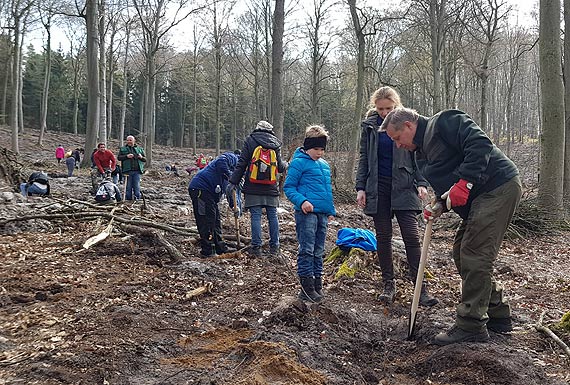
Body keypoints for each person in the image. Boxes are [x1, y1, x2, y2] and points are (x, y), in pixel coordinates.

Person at [380, 107, 522, 345]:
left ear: (408, 126)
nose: (398, 145)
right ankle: (498, 314)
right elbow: (451, 185)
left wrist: (465, 183)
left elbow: (480, 145)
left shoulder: (445, 122)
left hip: (498, 186)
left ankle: (471, 325)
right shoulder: (421, 154)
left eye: (397, 138)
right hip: (479, 198)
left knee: (475, 253)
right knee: (461, 253)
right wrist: (439, 204)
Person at [355, 86, 437, 307]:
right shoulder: (369, 126)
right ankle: (388, 285)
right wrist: (360, 187)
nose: (384, 112)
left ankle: (421, 289)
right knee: (383, 237)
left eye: (388, 108)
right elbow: (364, 157)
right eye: (380, 108)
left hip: (404, 184)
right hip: (377, 187)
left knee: (411, 237)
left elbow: (418, 153)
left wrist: (421, 183)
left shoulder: (408, 122)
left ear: (396, 105)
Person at [284, 125, 336, 303]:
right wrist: (302, 201)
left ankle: (317, 285)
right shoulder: (298, 162)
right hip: (306, 213)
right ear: (307, 147)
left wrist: (330, 210)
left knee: (319, 250)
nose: (320, 153)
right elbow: (288, 188)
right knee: (307, 249)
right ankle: (306, 288)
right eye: (316, 149)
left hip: (322, 213)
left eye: (322, 149)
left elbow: (327, 190)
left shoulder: (324, 165)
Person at [227, 120, 288, 257]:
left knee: (256, 216)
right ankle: (275, 247)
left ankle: (256, 248)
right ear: (270, 130)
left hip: (253, 185)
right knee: (273, 216)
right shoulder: (275, 143)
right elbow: (280, 167)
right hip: (271, 186)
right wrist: (286, 164)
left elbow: (242, 163)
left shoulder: (250, 140)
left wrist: (233, 182)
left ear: (257, 129)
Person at [188, 152, 238, 257]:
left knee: (216, 220)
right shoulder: (233, 158)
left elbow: (230, 191)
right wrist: (230, 175)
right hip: (200, 189)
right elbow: (221, 160)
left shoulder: (235, 174)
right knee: (206, 219)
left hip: (211, 194)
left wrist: (233, 205)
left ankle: (220, 247)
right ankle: (208, 250)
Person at [118, 135, 146, 201]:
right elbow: (119, 158)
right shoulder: (122, 149)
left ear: (134, 140)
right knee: (128, 187)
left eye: (130, 140)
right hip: (127, 171)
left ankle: (137, 200)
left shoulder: (140, 149)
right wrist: (126, 156)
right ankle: (128, 200)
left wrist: (141, 157)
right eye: (127, 140)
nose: (129, 141)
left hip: (137, 171)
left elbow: (145, 159)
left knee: (137, 186)